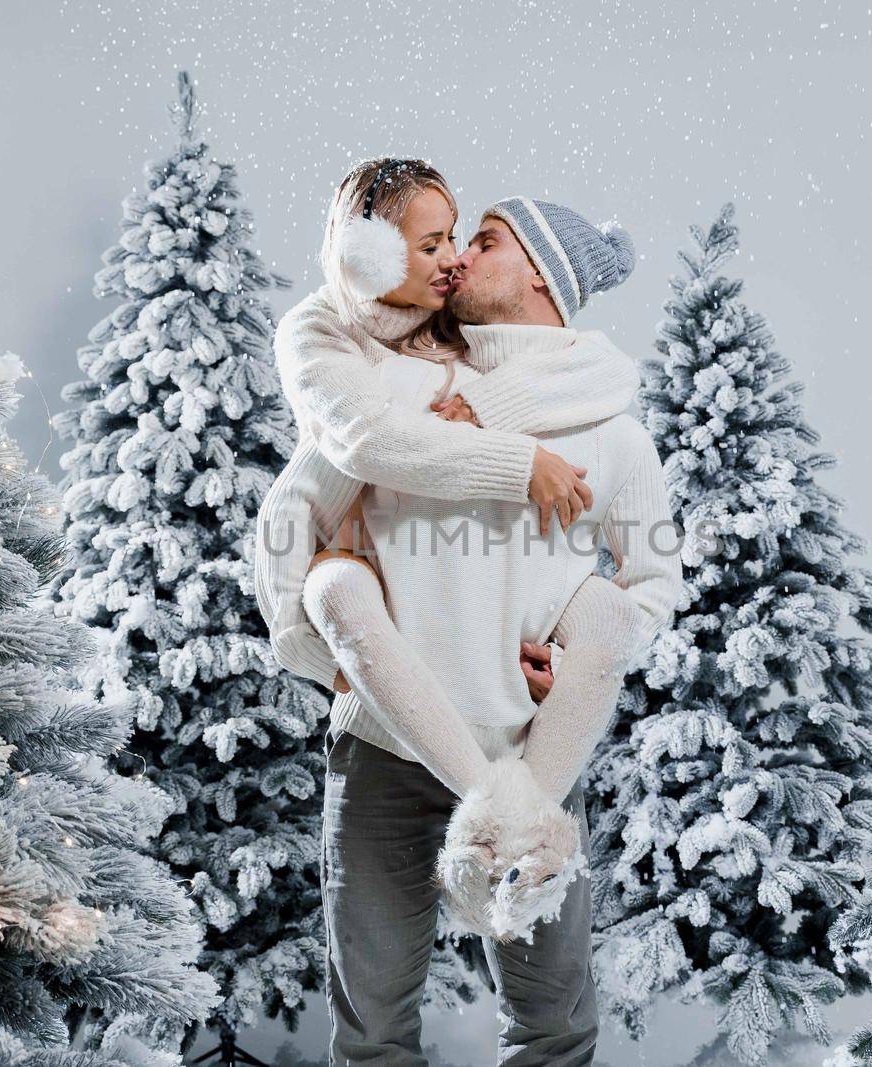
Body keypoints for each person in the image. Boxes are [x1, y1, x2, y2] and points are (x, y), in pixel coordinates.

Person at [256, 167, 681, 1064]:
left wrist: (573, 666)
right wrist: (310, 638)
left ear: (541, 276)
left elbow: (651, 584)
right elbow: (309, 498)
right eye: (450, 239)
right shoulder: (404, 390)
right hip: (381, 746)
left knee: (555, 1020)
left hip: (528, 751)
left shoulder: (612, 429)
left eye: (483, 240)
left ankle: (513, 813)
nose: (454, 260)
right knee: (371, 1023)